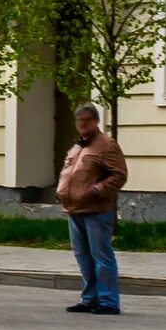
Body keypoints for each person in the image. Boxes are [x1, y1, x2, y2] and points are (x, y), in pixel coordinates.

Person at [57, 104, 129, 315]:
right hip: (74, 208)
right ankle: (89, 298)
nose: (82, 124)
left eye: (87, 120)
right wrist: (61, 191)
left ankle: (108, 301)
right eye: (79, 121)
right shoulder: (78, 146)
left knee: (101, 255)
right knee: (83, 256)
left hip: (96, 209)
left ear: (96, 121)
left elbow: (119, 175)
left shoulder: (106, 145)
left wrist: (98, 189)